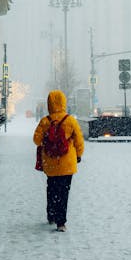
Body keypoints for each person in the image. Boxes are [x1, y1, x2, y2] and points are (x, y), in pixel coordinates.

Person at [33, 90, 84, 232]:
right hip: (67, 163)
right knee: (64, 191)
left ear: (49, 103)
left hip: (50, 162)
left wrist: (46, 139)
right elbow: (79, 141)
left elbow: (36, 140)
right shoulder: (70, 120)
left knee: (52, 188)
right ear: (63, 103)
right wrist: (78, 154)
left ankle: (51, 214)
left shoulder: (45, 121)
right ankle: (61, 223)